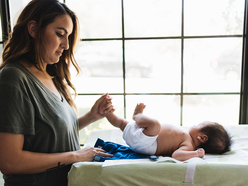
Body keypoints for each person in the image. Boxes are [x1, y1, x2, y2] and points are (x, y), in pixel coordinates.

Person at [0, 0, 113, 185]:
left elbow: (49, 136)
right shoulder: (13, 78)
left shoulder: (50, 75)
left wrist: (91, 116)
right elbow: (9, 161)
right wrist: (76, 156)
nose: (66, 45)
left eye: (68, 36)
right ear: (33, 29)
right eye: (60, 34)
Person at [104, 103, 232, 161]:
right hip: (144, 137)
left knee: (155, 124)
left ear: (202, 138)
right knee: (122, 123)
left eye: (199, 125)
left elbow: (177, 156)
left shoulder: (189, 146)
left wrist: (196, 154)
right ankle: (106, 111)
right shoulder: (187, 139)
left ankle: (137, 115)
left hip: (148, 143)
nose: (195, 124)